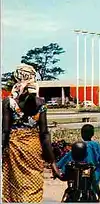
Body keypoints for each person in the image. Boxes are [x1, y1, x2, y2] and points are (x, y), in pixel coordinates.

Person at [2, 64, 62, 202]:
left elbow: (5, 131)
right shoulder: (40, 103)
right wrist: (53, 164)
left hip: (14, 150)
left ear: (17, 77)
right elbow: (44, 135)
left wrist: (3, 152)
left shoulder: (8, 102)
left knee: (15, 188)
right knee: (32, 186)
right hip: (33, 149)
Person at [57, 124, 100, 188]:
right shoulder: (96, 146)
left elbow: (67, 158)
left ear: (81, 134)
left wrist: (58, 167)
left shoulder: (78, 145)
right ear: (92, 134)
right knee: (95, 191)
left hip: (76, 175)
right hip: (92, 175)